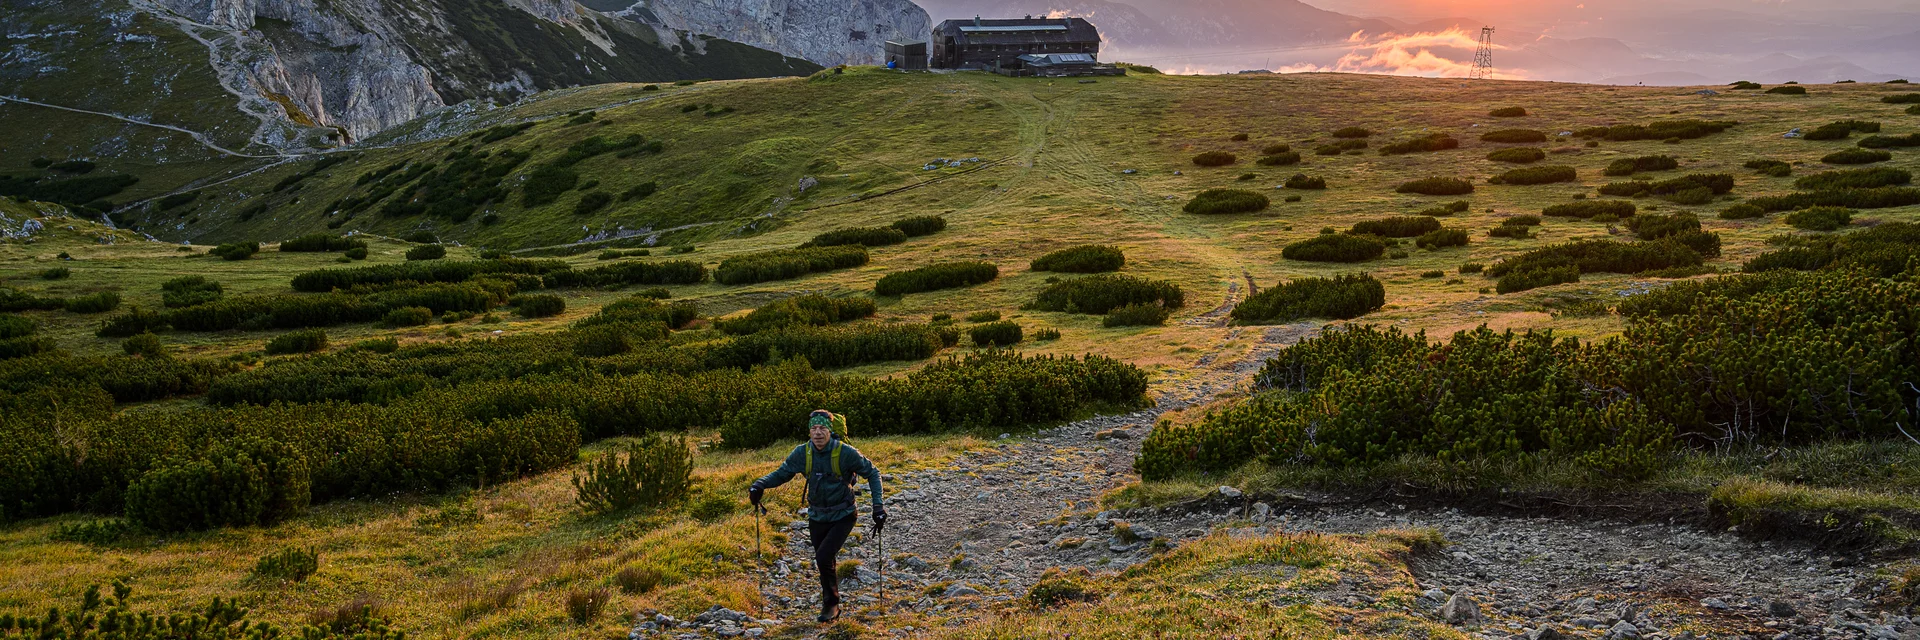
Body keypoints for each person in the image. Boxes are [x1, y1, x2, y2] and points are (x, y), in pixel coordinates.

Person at [748, 409, 886, 622]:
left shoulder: (846, 452)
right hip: (817, 516)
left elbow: (873, 473)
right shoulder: (802, 453)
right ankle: (833, 603)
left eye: (822, 428)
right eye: (814, 428)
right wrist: (760, 485)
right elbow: (782, 473)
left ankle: (830, 605)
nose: (818, 433)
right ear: (809, 431)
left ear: (830, 431)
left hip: (844, 514)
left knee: (822, 557)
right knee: (826, 559)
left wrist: (878, 506)